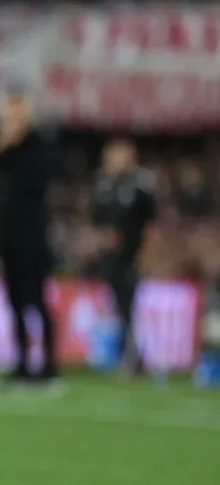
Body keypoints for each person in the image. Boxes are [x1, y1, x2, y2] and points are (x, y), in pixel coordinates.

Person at [0, 88, 58, 384]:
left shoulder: (40, 146)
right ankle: (21, 361)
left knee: (37, 301)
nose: (11, 121)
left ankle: (49, 363)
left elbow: (38, 179)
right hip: (8, 238)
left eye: (16, 115)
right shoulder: (4, 149)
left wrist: (16, 145)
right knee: (14, 302)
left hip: (33, 238)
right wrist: (2, 145)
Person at [91, 138, 156, 374]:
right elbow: (97, 217)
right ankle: (124, 354)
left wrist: (146, 253)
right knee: (118, 304)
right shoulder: (104, 183)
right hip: (111, 255)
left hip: (133, 253)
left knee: (130, 303)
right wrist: (103, 236)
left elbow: (151, 221)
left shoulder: (140, 184)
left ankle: (133, 357)